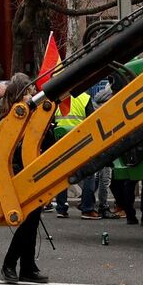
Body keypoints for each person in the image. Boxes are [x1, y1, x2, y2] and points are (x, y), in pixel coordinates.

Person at [0, 73, 49, 284]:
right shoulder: (14, 117)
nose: (33, 94)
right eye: (28, 91)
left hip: (29, 170)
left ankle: (27, 266)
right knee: (28, 221)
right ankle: (10, 263)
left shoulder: (26, 114)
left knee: (33, 220)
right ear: (20, 94)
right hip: (20, 172)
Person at [48, 88, 92, 217]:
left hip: (61, 139)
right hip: (81, 140)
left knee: (62, 174)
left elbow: (51, 121)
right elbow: (92, 120)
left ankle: (61, 208)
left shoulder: (58, 99)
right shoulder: (85, 98)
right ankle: (87, 208)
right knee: (88, 173)